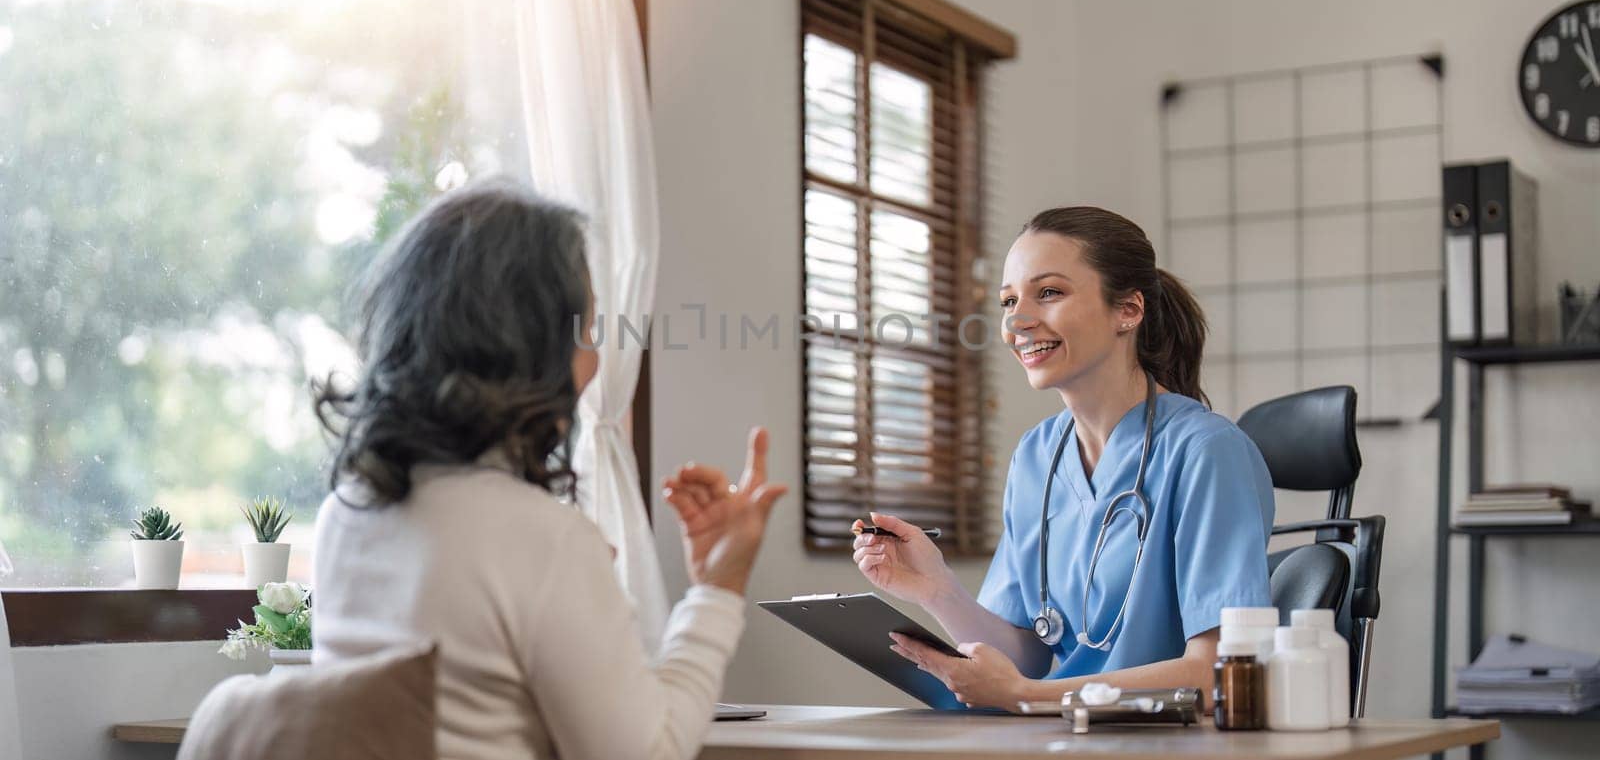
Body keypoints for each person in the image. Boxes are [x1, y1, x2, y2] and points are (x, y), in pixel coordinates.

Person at [311, 179, 786, 760]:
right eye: (588, 329)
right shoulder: (539, 539)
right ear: (535, 349)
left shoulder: (347, 513)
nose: (595, 355)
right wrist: (718, 589)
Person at [852, 206, 1274, 711]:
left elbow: (1219, 670)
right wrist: (934, 587)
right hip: (1063, 734)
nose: (1018, 320)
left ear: (1129, 310)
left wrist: (1029, 697)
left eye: (1048, 293)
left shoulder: (1206, 451)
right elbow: (1024, 654)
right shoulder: (1036, 456)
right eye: (1010, 300)